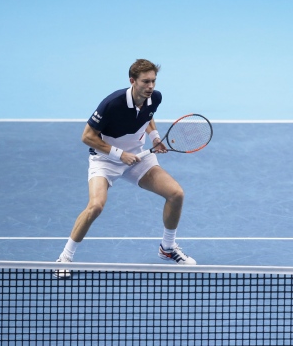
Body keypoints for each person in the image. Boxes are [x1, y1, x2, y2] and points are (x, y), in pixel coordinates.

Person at [54, 59, 196, 278]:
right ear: (132, 81)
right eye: (146, 81)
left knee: (176, 194)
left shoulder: (154, 98)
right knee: (95, 206)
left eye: (153, 81)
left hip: (138, 158)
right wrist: (119, 154)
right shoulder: (112, 103)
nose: (151, 86)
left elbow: (147, 117)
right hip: (105, 161)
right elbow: (87, 136)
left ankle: (167, 248)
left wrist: (155, 137)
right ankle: (65, 257)